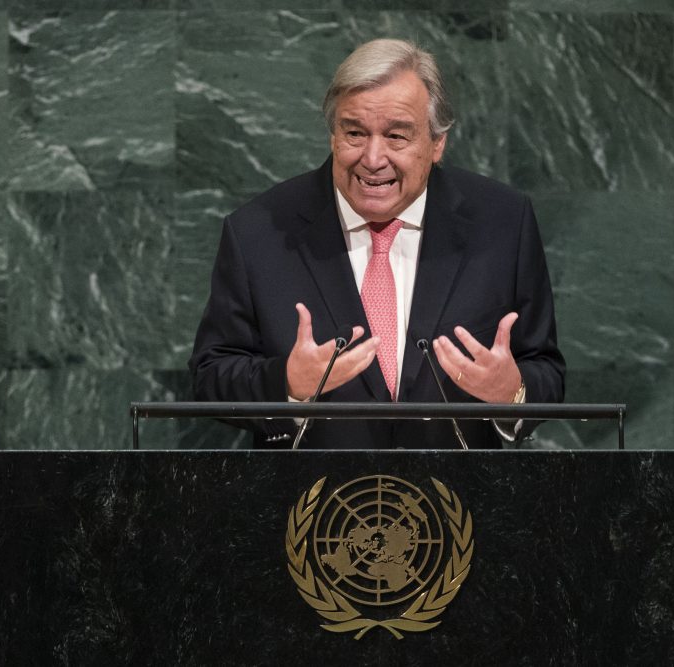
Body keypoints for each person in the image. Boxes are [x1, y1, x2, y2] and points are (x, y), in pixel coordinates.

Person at [188, 38, 565, 449]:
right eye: (354, 133)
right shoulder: (258, 233)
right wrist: (288, 384)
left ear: (437, 143)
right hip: (310, 504)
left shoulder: (503, 223)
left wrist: (513, 393)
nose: (372, 158)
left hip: (461, 502)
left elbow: (544, 368)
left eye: (396, 137)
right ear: (333, 135)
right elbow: (211, 376)